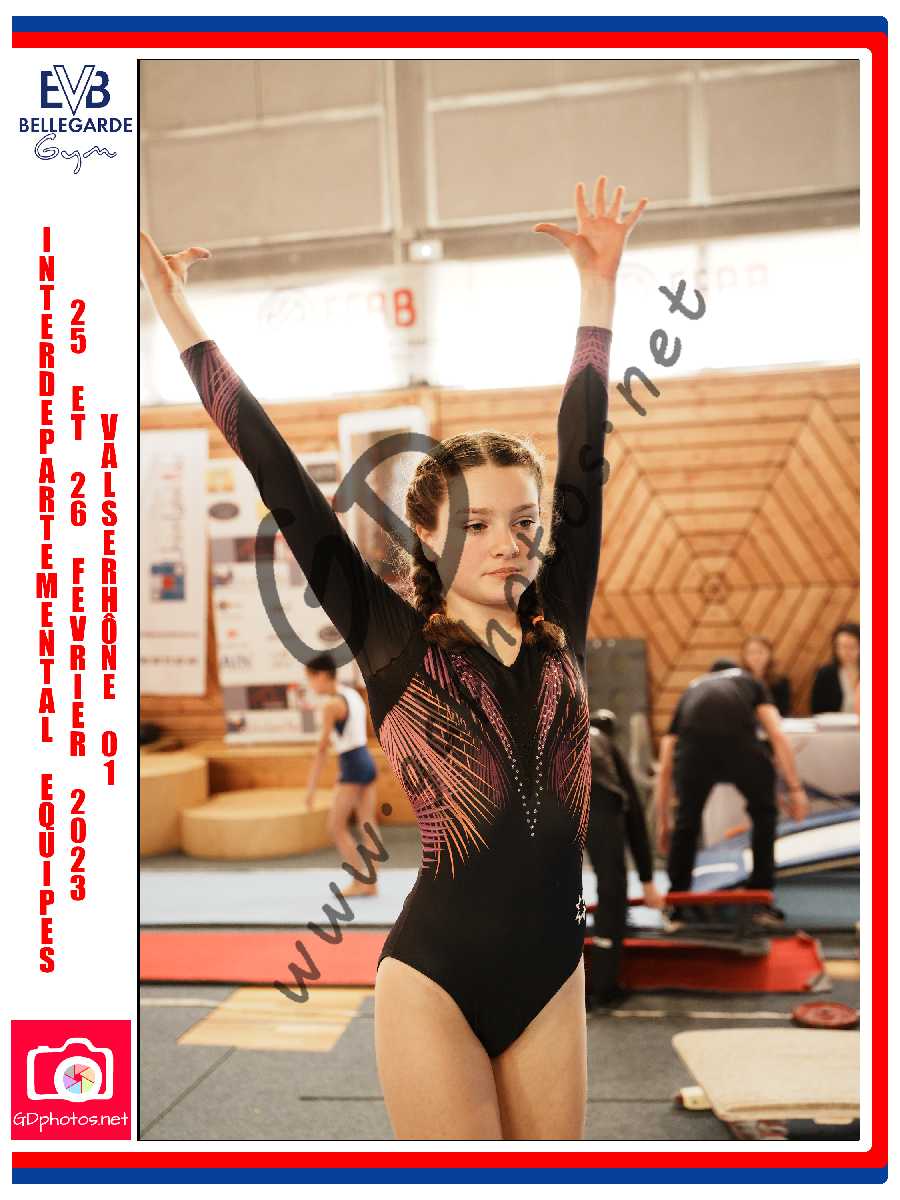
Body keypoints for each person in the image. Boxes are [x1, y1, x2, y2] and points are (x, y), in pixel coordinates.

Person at [139, 172, 647, 1140]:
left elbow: (585, 443)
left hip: (553, 971)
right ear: (429, 537)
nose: (508, 544)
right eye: (478, 525)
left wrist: (599, 289)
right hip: (436, 979)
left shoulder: (561, 613)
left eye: (524, 523)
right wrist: (175, 312)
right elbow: (273, 468)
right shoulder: (388, 636)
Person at [654, 659, 810, 931]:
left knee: (687, 822)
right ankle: (760, 901)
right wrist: (795, 790)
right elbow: (776, 733)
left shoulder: (692, 689)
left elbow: (665, 765)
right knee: (764, 814)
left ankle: (677, 905)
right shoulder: (750, 681)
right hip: (740, 747)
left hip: (694, 752)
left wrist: (664, 822)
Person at [584, 708, 663, 1006]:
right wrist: (647, 880)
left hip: (550, 794)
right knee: (612, 889)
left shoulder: (562, 733)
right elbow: (636, 819)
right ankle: (604, 986)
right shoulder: (606, 744)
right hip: (600, 796)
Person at [303, 652, 380, 897]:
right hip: (366, 760)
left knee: (335, 827)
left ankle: (360, 882)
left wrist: (311, 788)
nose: (310, 685)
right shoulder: (353, 695)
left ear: (322, 676)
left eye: (310, 679)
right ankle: (371, 883)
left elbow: (322, 749)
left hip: (352, 764)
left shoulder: (331, 705)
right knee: (367, 823)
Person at [811, 622, 861, 715]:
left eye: (852, 646)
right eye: (842, 646)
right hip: (834, 723)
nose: (846, 652)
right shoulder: (825, 674)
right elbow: (817, 710)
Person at [740, 634, 791, 717]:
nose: (756, 657)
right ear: (744, 656)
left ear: (770, 654)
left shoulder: (781, 681)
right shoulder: (738, 681)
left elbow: (784, 710)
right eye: (751, 652)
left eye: (760, 652)